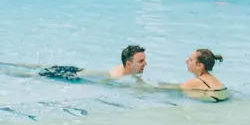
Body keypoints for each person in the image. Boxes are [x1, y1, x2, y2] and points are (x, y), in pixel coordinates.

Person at [9, 44, 149, 83]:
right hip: (75, 75)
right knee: (35, 74)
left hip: (78, 70)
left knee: (42, 68)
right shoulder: (118, 77)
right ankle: (5, 72)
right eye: (141, 61)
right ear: (129, 64)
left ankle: (7, 63)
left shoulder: (123, 69)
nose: (145, 64)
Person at [151, 48, 229, 101]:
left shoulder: (196, 82)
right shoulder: (212, 79)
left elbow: (169, 89)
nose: (186, 61)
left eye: (190, 60)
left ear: (199, 66)